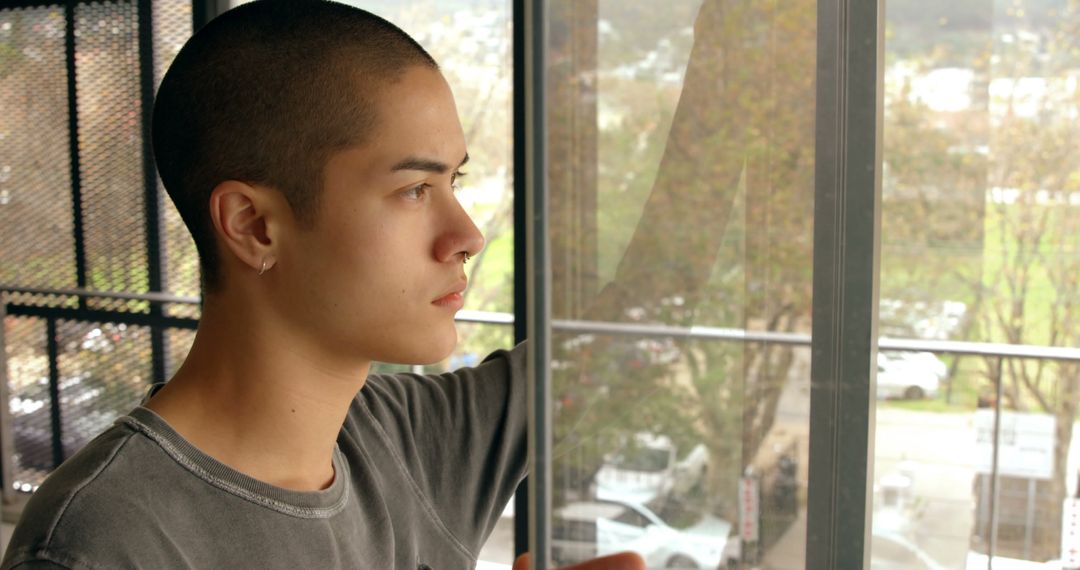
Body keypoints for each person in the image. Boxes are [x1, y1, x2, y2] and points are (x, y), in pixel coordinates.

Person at [1, 1, 643, 568]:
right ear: (254, 226)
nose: (468, 235)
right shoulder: (105, 545)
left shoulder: (413, 440)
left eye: (455, 183)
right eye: (415, 190)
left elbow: (645, 305)